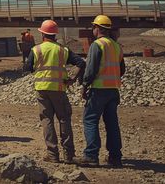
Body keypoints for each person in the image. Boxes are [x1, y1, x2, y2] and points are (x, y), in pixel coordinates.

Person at [26, 19, 86, 164]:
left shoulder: (36, 50)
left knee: (47, 120)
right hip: (59, 90)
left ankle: (53, 155)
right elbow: (81, 63)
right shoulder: (63, 50)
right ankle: (69, 155)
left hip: (42, 90)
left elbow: (28, 68)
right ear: (55, 35)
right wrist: (72, 78)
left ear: (42, 34)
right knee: (64, 119)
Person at [77, 15, 125, 168]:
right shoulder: (117, 46)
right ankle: (115, 157)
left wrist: (84, 86)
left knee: (90, 120)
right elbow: (122, 69)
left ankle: (91, 155)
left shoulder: (97, 45)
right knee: (112, 123)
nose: (93, 30)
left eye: (93, 27)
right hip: (113, 90)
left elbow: (90, 70)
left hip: (98, 90)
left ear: (97, 28)